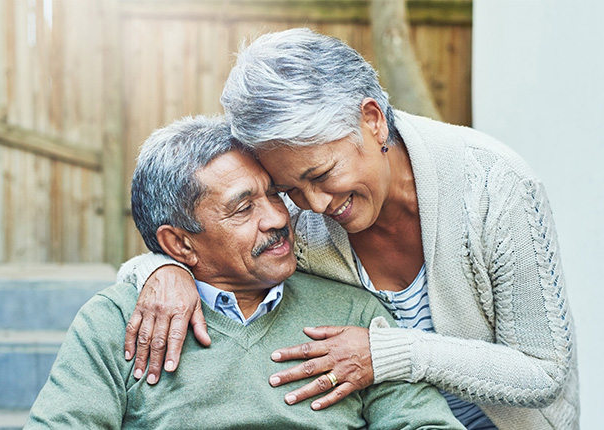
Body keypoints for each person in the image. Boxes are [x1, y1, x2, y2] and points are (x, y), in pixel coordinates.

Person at [120, 28, 579, 430]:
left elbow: (543, 371)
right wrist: (165, 270)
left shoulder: (495, 189)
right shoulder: (292, 215)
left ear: (373, 120)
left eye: (321, 175)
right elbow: (209, 244)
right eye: (288, 187)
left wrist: (388, 353)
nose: (313, 205)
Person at [25, 116, 464, 430]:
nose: (278, 217)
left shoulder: (352, 310)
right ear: (179, 244)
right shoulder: (117, 322)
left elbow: (423, 422)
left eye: (274, 194)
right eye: (243, 208)